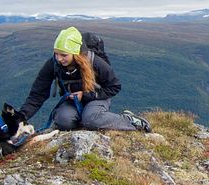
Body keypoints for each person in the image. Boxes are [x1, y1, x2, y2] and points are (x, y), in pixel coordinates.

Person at [18, 26, 151, 132]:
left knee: (91, 119)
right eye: (56, 53)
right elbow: (38, 94)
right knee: (63, 121)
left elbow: (114, 86)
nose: (59, 58)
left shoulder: (96, 62)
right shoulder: (53, 64)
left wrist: (85, 95)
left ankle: (129, 120)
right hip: (73, 101)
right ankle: (87, 119)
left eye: (63, 55)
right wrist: (21, 117)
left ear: (76, 53)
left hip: (98, 97)